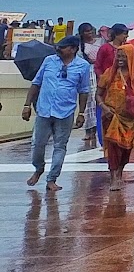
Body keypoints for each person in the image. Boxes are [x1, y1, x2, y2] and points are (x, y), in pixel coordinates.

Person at [21, 35, 93, 191]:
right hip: (44, 110)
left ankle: (52, 178)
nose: (58, 49)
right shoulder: (49, 61)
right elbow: (36, 83)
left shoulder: (83, 66)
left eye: (63, 47)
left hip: (65, 111)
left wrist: (82, 113)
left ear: (73, 49)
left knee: (60, 146)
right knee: (38, 144)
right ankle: (38, 168)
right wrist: (27, 105)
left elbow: (84, 91)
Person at [97, 36, 134, 190]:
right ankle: (114, 177)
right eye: (118, 56)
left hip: (131, 118)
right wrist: (104, 107)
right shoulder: (110, 72)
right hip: (111, 115)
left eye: (123, 56)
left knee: (126, 149)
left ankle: (120, 171)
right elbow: (99, 93)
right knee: (113, 147)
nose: (120, 59)